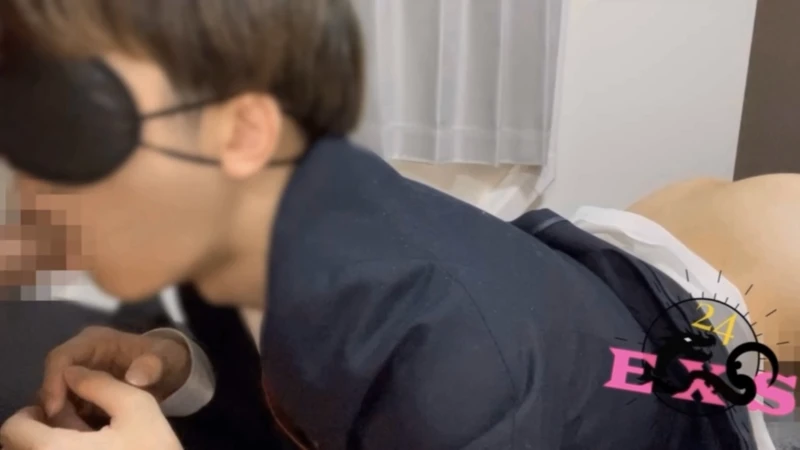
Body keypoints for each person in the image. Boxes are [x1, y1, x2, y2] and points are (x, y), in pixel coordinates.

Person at [0, 1, 771, 448]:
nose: (28, 192)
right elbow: (274, 368)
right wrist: (177, 366)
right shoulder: (260, 212)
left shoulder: (457, 385)